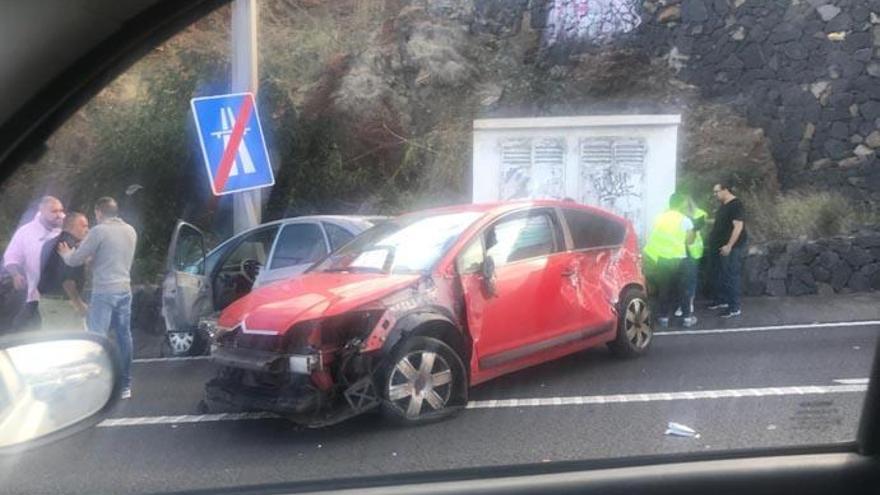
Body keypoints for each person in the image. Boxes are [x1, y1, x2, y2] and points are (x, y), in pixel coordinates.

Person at [58, 197, 137, 398]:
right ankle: (126, 385)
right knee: (124, 336)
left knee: (97, 338)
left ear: (98, 212)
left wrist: (66, 254)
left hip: (104, 291)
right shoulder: (130, 230)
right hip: (125, 289)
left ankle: (100, 384)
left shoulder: (99, 231)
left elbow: (75, 260)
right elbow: (113, 257)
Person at [2, 196, 65, 331]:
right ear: (41, 210)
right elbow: (11, 255)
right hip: (32, 295)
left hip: (61, 297)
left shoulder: (65, 230)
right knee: (27, 332)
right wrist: (15, 275)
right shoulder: (26, 232)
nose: (59, 215)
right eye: (54, 211)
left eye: (61, 210)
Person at [643, 193, 697, 328]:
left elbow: (655, 236)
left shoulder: (659, 218)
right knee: (683, 289)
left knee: (664, 289)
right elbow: (690, 241)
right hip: (679, 258)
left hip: (663, 259)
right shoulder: (685, 220)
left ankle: (663, 318)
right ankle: (686, 318)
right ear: (681, 204)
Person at [38, 212, 89, 331]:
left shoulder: (49, 243)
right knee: (74, 344)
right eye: (84, 226)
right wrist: (79, 304)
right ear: (71, 225)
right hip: (62, 305)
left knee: (54, 344)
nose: (87, 229)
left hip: (46, 301)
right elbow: (67, 280)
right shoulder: (69, 246)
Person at [707, 180, 748, 318]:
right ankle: (722, 300)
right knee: (720, 274)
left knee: (731, 276)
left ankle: (734, 307)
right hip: (719, 245)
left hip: (732, 247)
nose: (715, 194)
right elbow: (722, 222)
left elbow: (738, 226)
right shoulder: (723, 205)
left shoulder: (736, 205)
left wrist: (729, 245)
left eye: (717, 191)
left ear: (725, 190)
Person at [675, 196, 708, 318]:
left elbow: (701, 227)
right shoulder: (677, 215)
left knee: (691, 279)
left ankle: (689, 303)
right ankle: (682, 304)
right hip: (679, 250)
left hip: (693, 249)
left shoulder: (700, 213)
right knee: (681, 279)